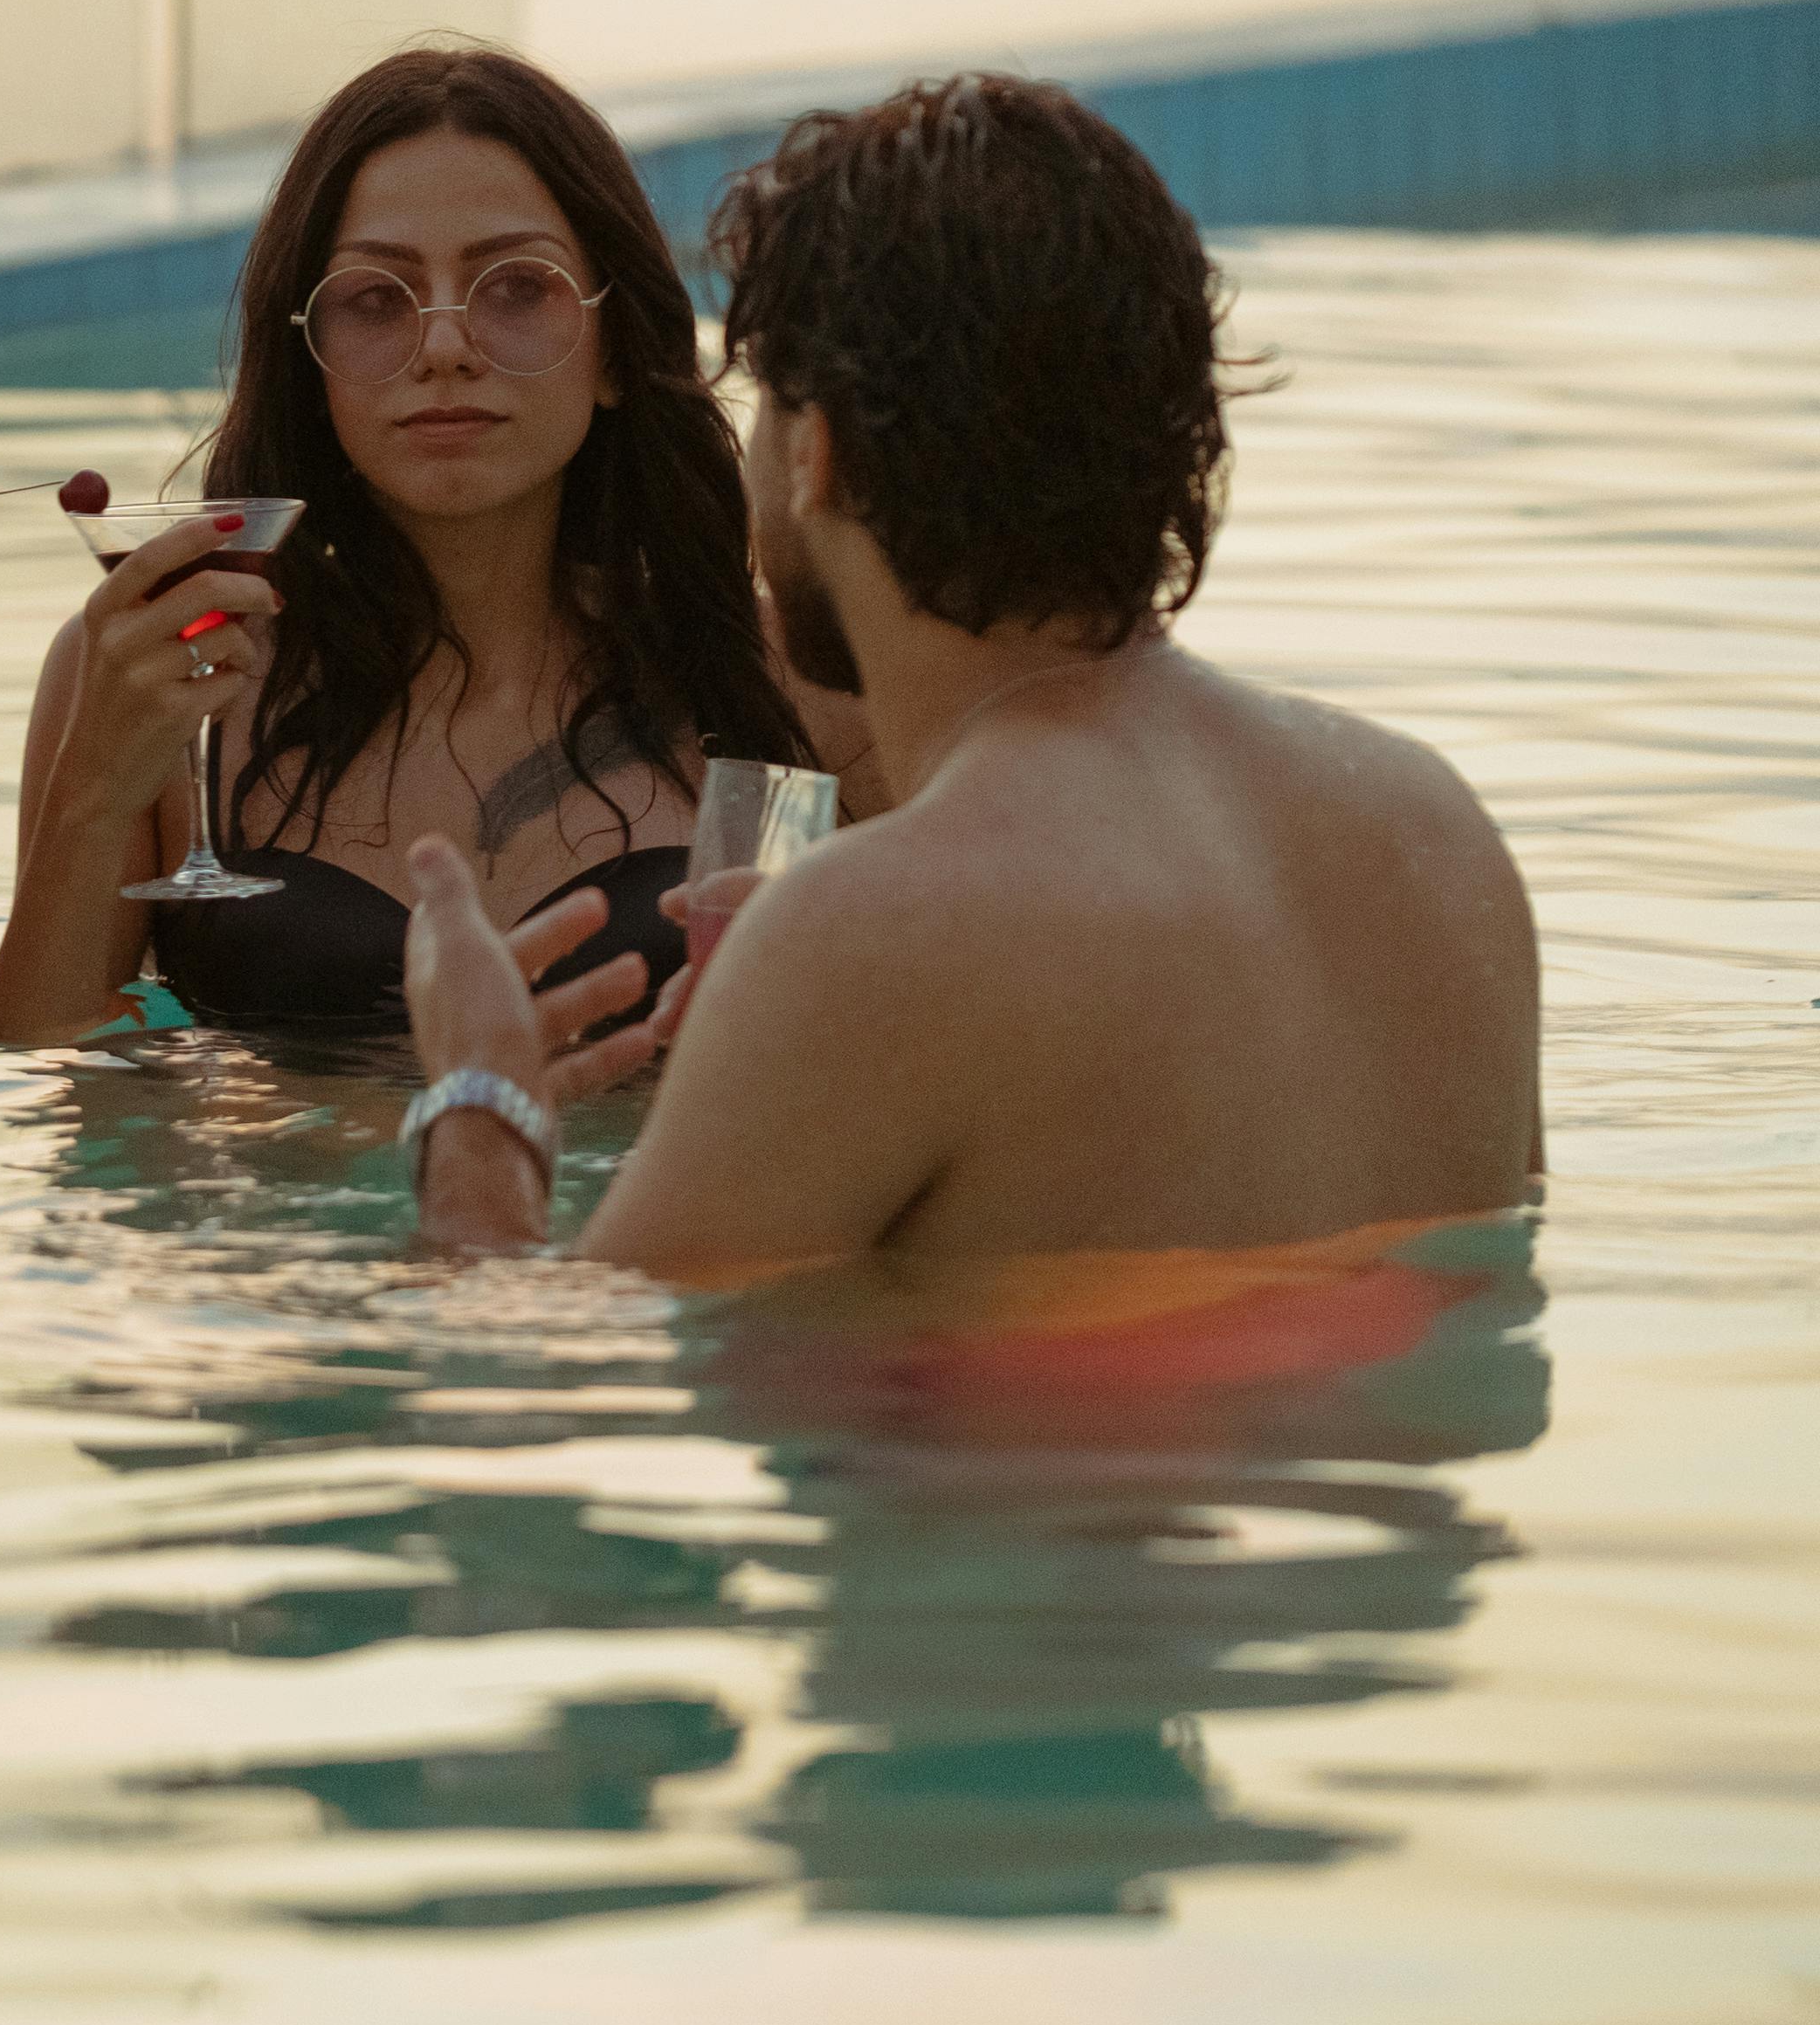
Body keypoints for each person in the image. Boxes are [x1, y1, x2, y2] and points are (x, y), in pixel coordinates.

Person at [393, 72, 1543, 1264]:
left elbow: (514, 1383)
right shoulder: (1436, 833)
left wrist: (483, 1101)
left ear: (815, 454)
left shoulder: (872, 933)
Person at [0, 45, 862, 1044]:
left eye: (516, 288)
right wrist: (94, 788)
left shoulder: (789, 681)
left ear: (615, 350)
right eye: (376, 299)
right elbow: (43, 1089)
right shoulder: (169, 681)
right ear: (311, 362)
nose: (445, 346)